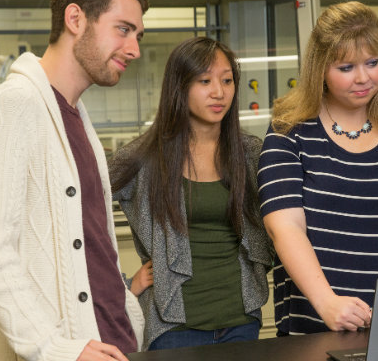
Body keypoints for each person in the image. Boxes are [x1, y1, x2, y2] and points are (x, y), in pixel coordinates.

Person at [0, 0, 148, 360]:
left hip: (115, 343)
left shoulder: (76, 117)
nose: (134, 49)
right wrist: (57, 349)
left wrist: (128, 315)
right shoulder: (13, 106)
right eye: (123, 29)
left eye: (138, 35)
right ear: (76, 19)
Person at [257, 1, 378, 336]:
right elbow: (285, 227)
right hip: (310, 324)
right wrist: (327, 302)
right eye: (346, 68)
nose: (363, 78)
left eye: (373, 63)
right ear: (320, 69)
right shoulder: (289, 129)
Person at [109, 37, 274, 350]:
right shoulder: (143, 158)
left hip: (241, 320)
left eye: (227, 81)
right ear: (180, 87)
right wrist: (124, 285)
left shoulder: (250, 153)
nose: (219, 92)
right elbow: (80, 212)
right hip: (174, 327)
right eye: (205, 81)